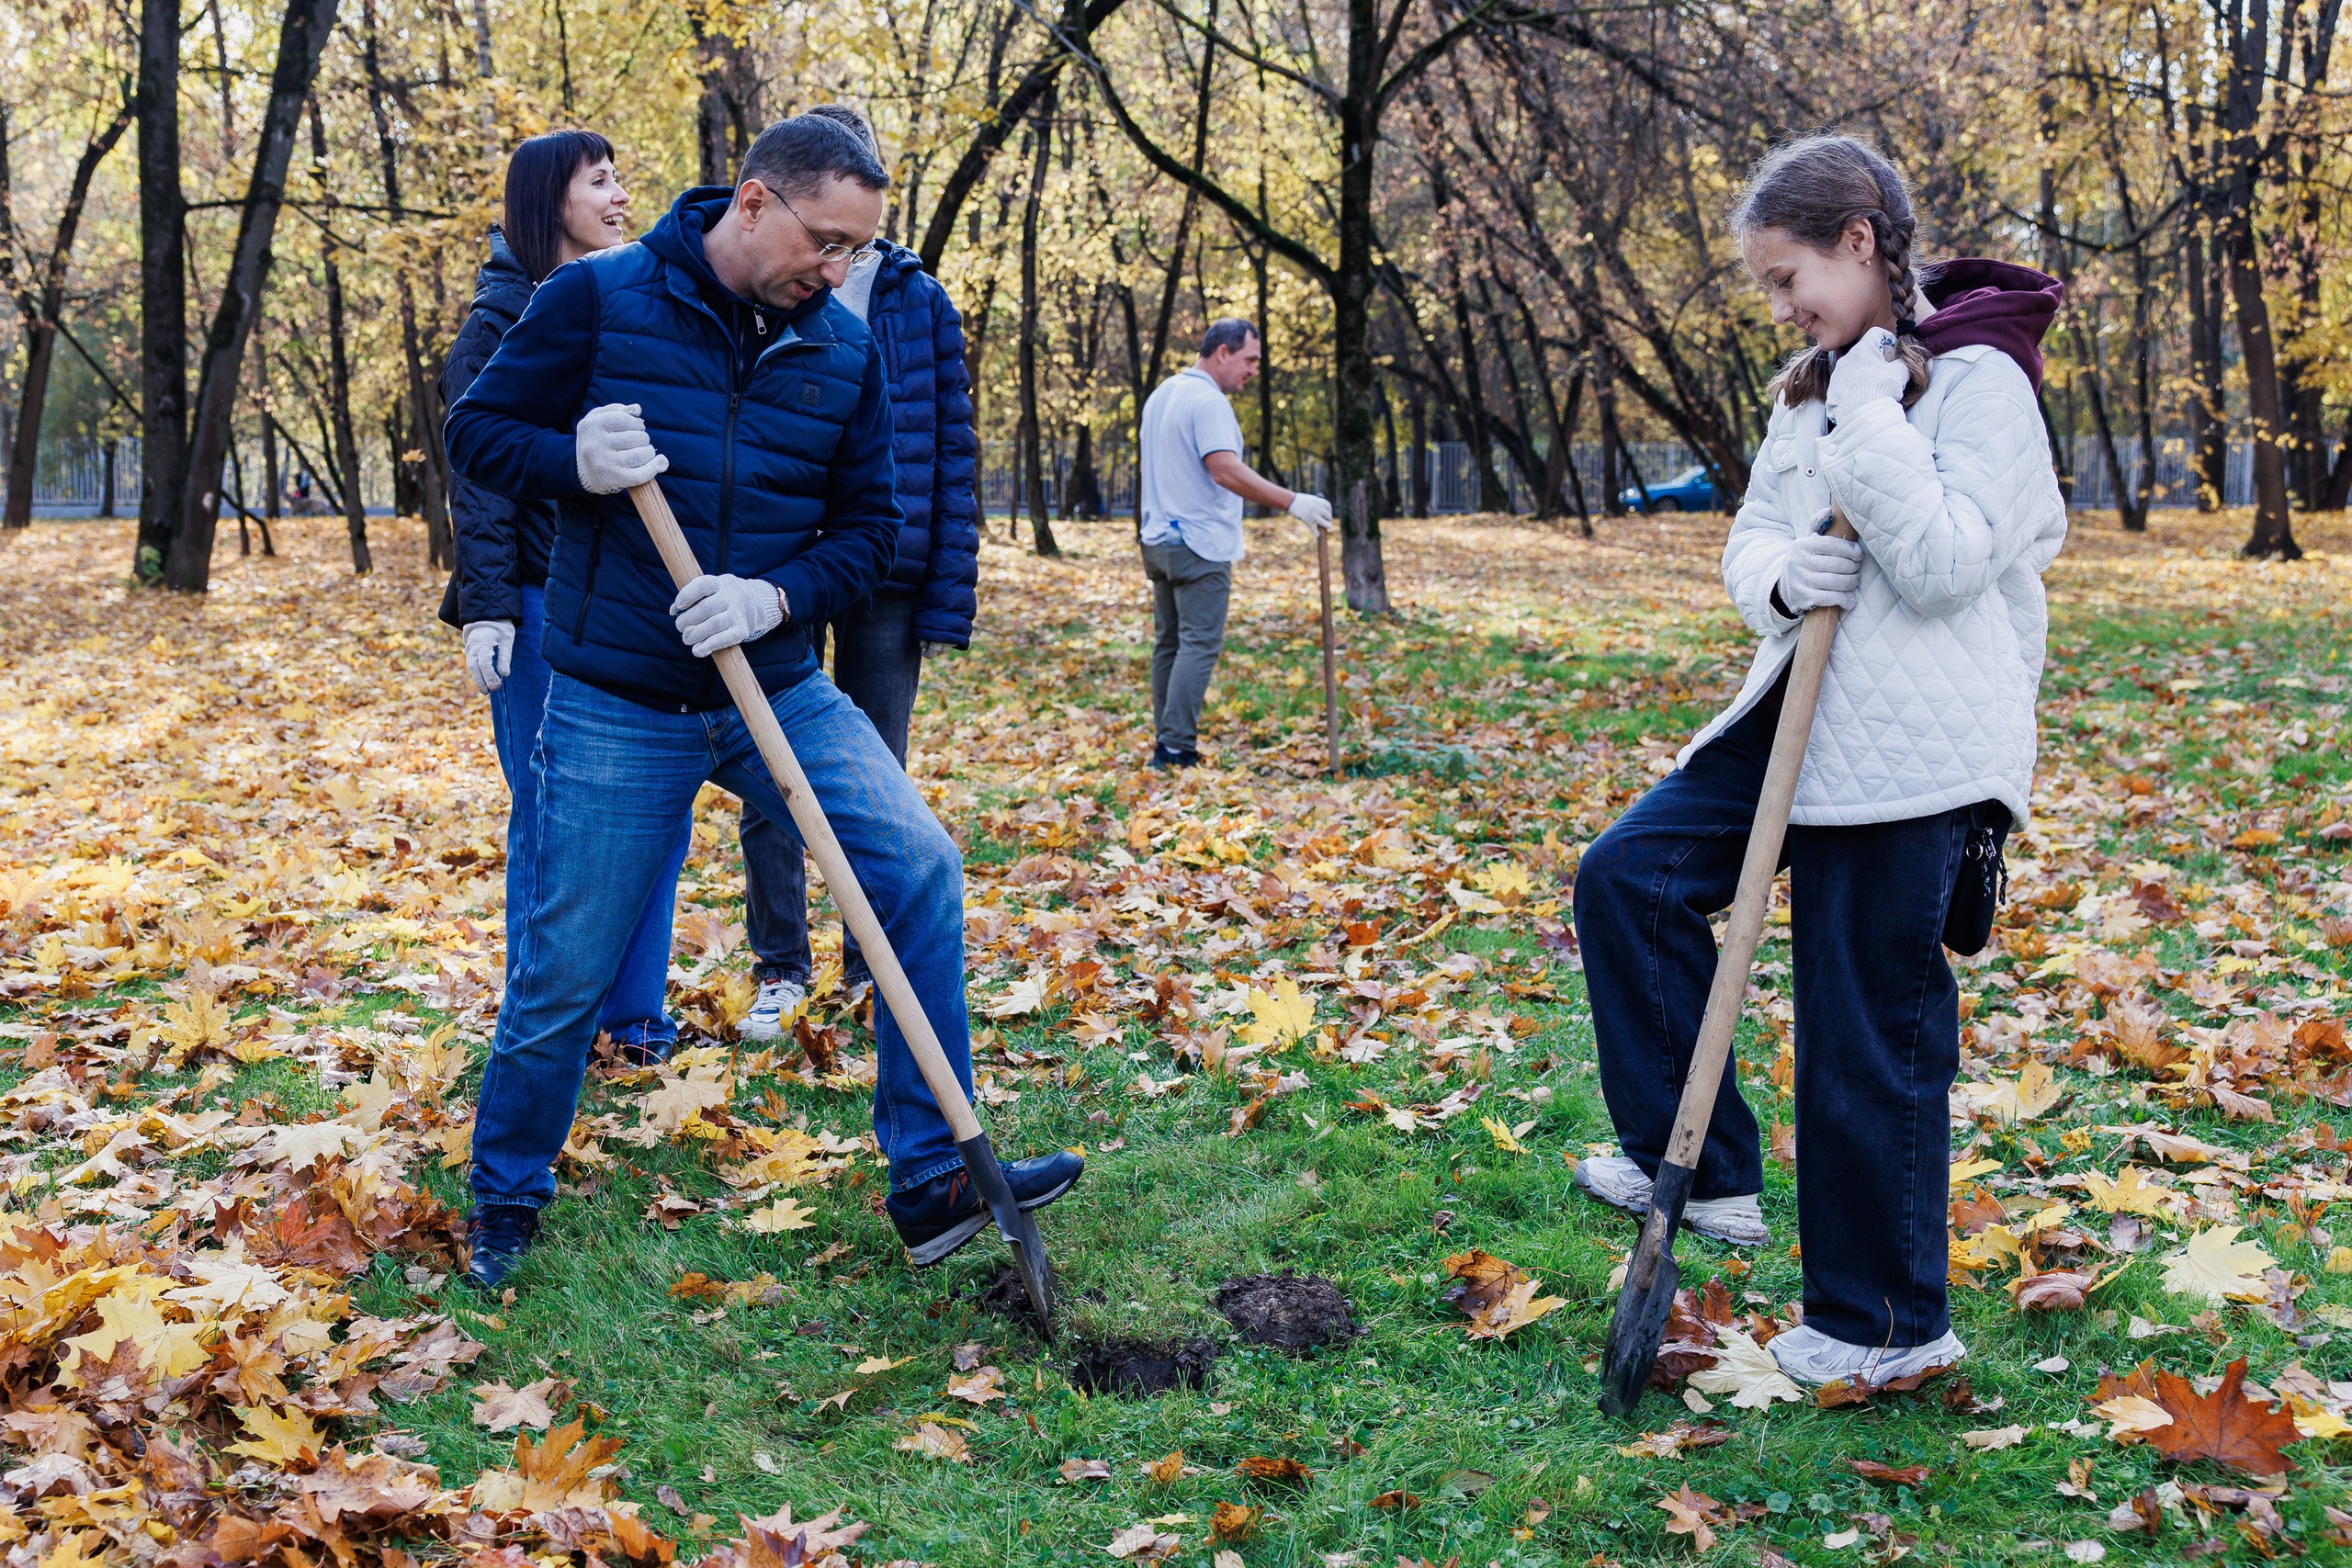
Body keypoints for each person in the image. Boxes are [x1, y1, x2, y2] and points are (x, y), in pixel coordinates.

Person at [444, 115, 1081, 1292]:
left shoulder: (842, 353)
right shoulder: (598, 300)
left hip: (776, 686)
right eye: (824, 241)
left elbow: (871, 532)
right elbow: (474, 431)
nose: (834, 272)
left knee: (918, 867)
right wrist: (573, 459)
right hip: (614, 699)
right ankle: (505, 1192)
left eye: (854, 252)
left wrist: (771, 596)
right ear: (750, 203)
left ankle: (934, 1174)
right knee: (563, 966)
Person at [1568, 134, 2066, 1387]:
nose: (1783, 309)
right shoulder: (1812, 383)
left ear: (1860, 241)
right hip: (1796, 709)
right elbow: (1752, 538)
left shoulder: (1979, 381)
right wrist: (1781, 577)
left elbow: (1953, 561)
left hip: (1917, 746)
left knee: (1865, 1028)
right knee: (1628, 877)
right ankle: (1709, 1164)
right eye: (1771, 290)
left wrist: (1869, 419)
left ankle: (1885, 1322)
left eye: (1793, 278)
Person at [436, 130, 690, 1066]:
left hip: (628, 599)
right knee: (552, 824)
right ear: (551, 201)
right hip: (541, 604)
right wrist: (492, 606)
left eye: (621, 176)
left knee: (655, 809)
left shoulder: (620, 303)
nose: (620, 194)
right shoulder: (499, 321)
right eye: (599, 181)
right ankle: (547, 1028)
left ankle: (634, 1018)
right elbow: (483, 479)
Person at [738, 103, 978, 1039]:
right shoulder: (759, 281)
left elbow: (950, 450)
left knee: (873, 772)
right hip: (783, 568)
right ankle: (779, 968)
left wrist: (948, 593)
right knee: (773, 766)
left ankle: (870, 965)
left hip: (889, 568)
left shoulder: (919, 298)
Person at [1136, 319, 1331, 769]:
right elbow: (1223, 469)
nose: (1253, 371)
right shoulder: (1208, 401)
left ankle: (1165, 745)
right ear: (1221, 352)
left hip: (1159, 539)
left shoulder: (1163, 394)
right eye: (1249, 360)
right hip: (1199, 544)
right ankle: (1175, 749)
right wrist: (1293, 502)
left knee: (1169, 644)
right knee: (1197, 645)